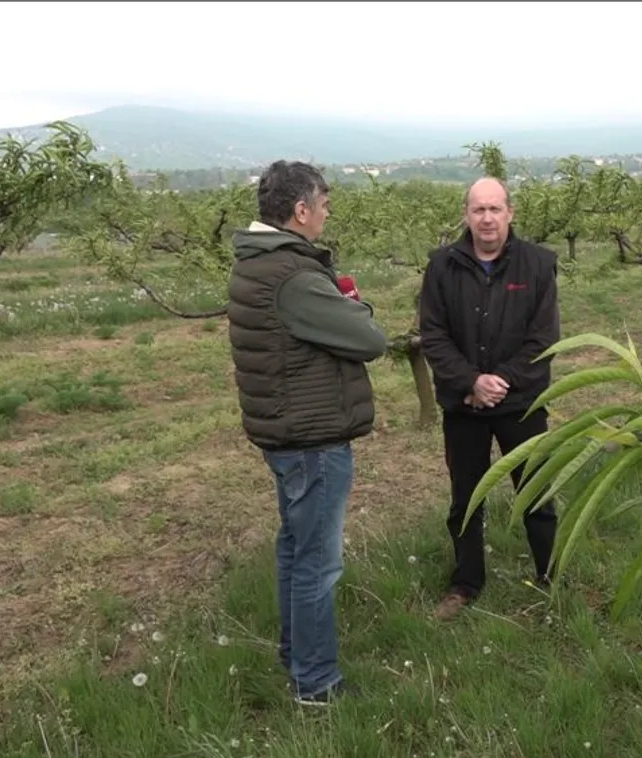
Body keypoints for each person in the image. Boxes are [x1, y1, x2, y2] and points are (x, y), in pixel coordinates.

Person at [226, 160, 387, 705]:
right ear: (300, 211)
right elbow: (368, 338)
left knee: (296, 550)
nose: (325, 215)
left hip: (285, 433)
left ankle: (294, 656)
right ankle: (316, 685)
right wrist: (355, 305)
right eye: (322, 207)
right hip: (312, 438)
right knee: (319, 561)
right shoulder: (294, 276)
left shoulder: (257, 262)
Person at [418, 176, 562, 621]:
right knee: (466, 497)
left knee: (536, 491)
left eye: (494, 209)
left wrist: (499, 380)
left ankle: (550, 574)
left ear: (510, 213)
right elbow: (434, 335)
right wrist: (471, 383)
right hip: (464, 406)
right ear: (466, 214)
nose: (486, 218)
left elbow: (543, 338)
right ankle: (466, 583)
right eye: (478, 209)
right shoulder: (442, 266)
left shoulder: (537, 265)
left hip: (521, 403)